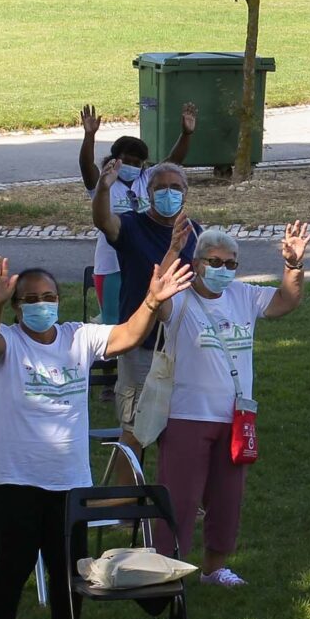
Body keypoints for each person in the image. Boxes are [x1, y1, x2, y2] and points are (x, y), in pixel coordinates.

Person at [0, 253, 189, 619]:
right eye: (31, 298)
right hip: (14, 475)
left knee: (69, 565)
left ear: (59, 300)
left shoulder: (78, 337)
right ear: (17, 306)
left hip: (68, 478)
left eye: (48, 296)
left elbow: (127, 336)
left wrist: (151, 301)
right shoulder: (9, 341)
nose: (41, 304)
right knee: (12, 565)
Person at [154, 222, 310, 587]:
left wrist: (293, 265)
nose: (223, 269)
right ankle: (164, 570)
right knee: (180, 499)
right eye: (215, 262)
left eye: (230, 263)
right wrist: (173, 251)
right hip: (187, 415)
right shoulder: (179, 297)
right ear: (197, 263)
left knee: (228, 498)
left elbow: (286, 301)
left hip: (236, 416)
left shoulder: (243, 295)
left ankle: (214, 568)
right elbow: (156, 300)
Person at [91, 155, 200, 444]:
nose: (168, 193)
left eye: (175, 187)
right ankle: (129, 476)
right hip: (141, 343)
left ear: (186, 193)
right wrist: (103, 189)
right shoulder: (131, 226)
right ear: (148, 193)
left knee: (180, 432)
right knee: (135, 432)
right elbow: (103, 221)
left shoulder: (194, 232)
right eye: (161, 187)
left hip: (183, 346)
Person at [77, 102, 193, 326]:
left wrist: (186, 134)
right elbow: (85, 164)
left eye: (137, 163)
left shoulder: (147, 178)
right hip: (111, 265)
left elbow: (174, 161)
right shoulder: (105, 180)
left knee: (149, 318)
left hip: (144, 261)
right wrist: (89, 136)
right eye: (127, 161)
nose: (132, 166)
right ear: (115, 159)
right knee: (115, 324)